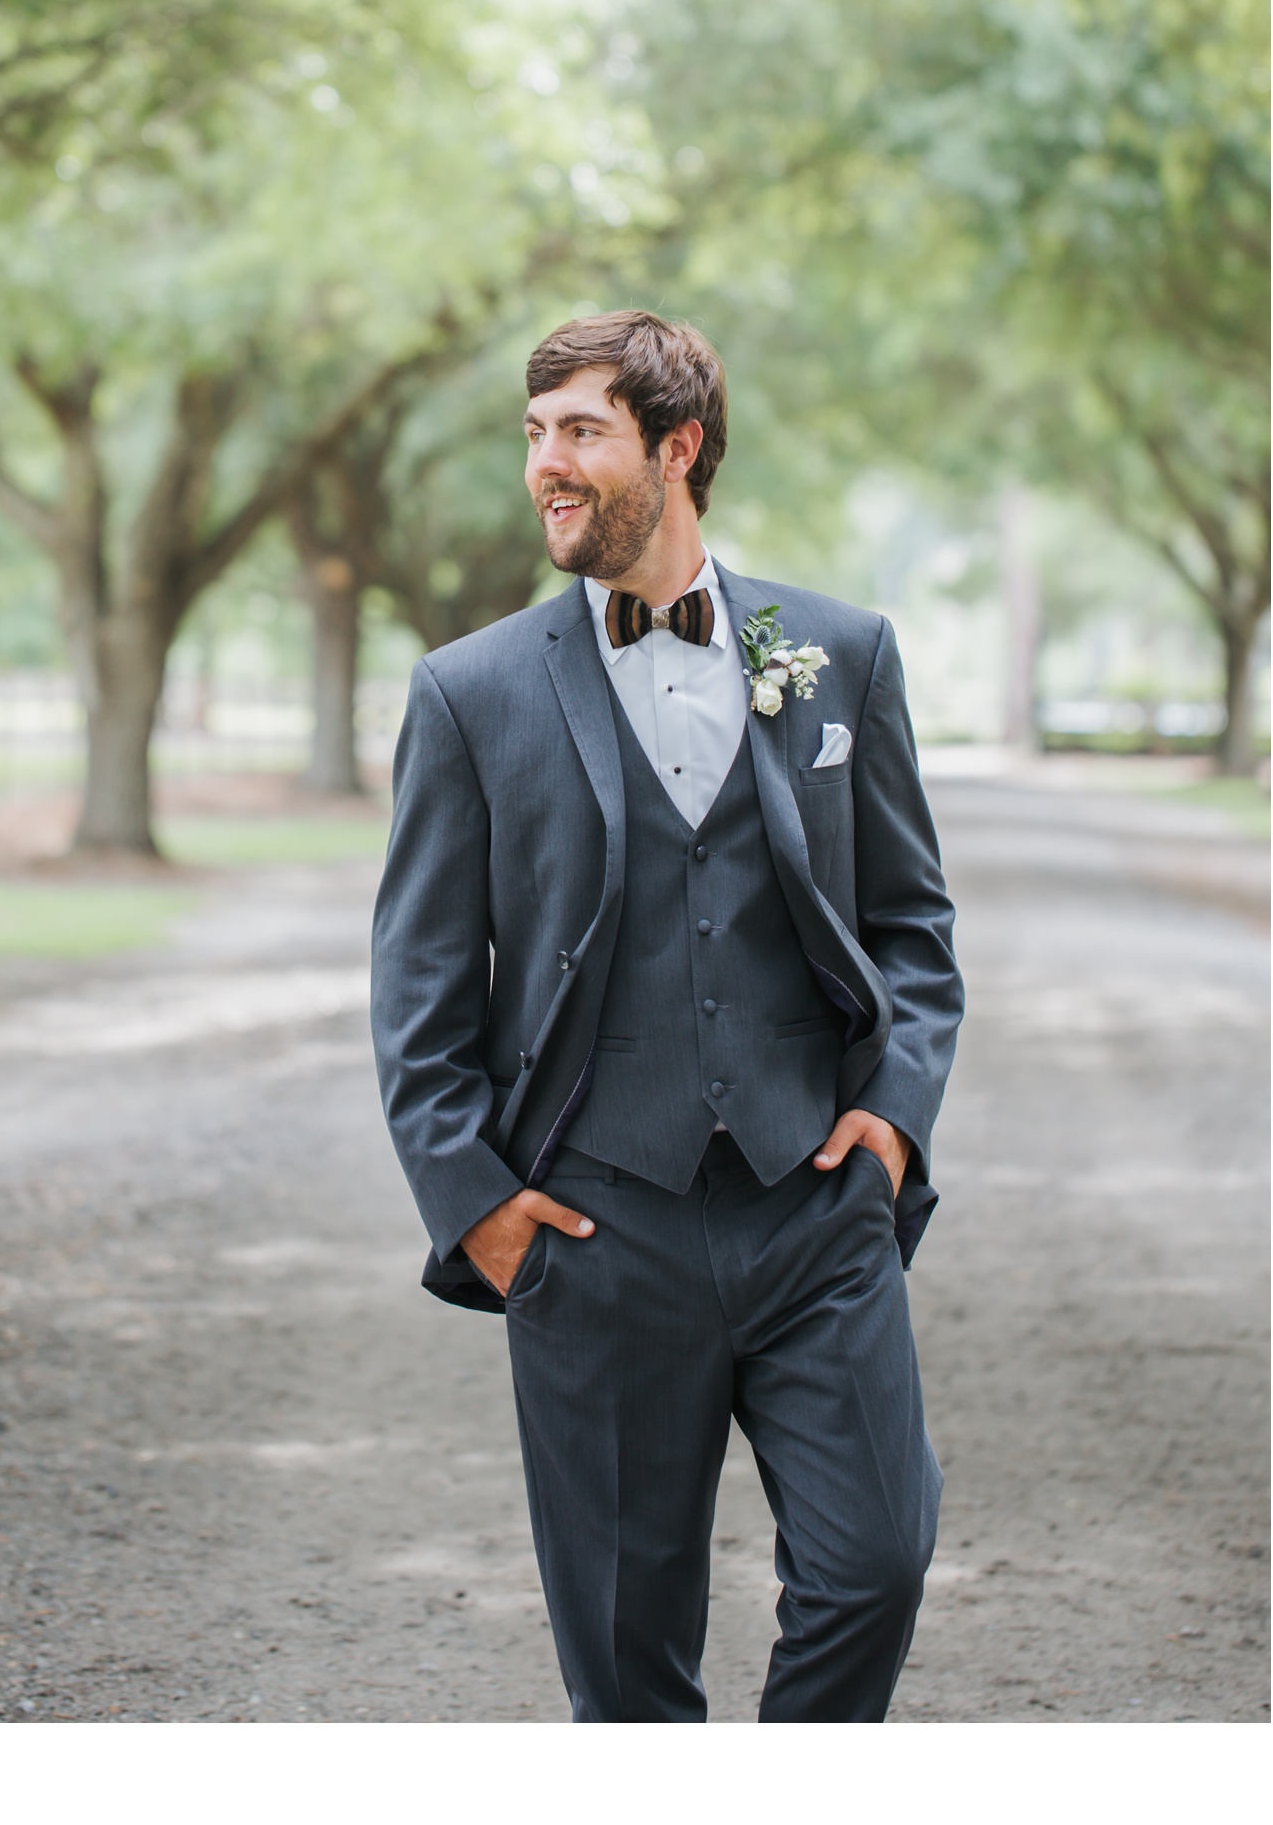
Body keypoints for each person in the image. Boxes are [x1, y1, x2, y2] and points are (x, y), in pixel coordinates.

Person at [371, 310, 964, 1723]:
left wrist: (890, 1127)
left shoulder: (839, 653)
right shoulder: (470, 693)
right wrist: (486, 1212)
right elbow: (420, 989)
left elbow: (914, 931)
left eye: (580, 431)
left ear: (677, 446)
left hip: (813, 1209)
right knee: (631, 1667)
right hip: (595, 1233)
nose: (545, 468)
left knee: (876, 1562)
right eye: (534, 435)